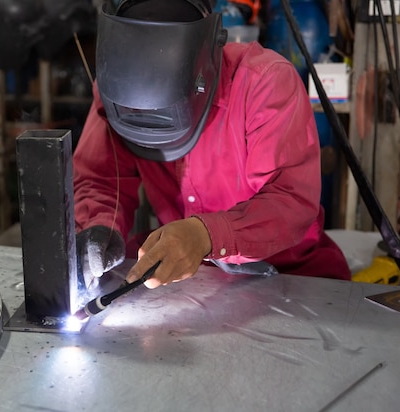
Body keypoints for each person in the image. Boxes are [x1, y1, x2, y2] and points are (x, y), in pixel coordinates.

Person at [73, 0, 350, 291]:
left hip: (290, 274)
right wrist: (99, 227)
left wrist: (206, 236)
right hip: (189, 280)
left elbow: (289, 200)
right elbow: (101, 178)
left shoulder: (265, 83)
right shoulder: (114, 92)